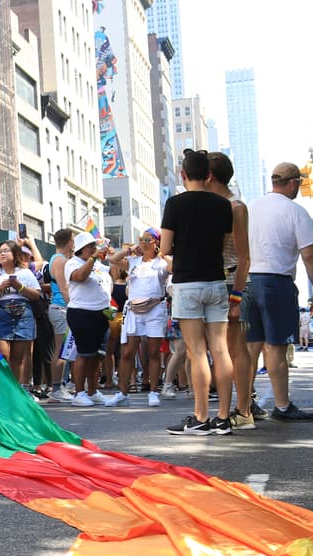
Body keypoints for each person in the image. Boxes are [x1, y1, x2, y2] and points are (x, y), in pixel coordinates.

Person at [158, 149, 234, 434]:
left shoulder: (175, 204)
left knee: (197, 351)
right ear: (209, 175)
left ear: (183, 174)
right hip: (216, 281)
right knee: (221, 349)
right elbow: (224, 243)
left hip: (188, 283)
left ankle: (201, 416)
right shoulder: (223, 205)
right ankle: (223, 417)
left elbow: (165, 247)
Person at [245, 162, 313, 422]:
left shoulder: (250, 208)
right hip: (276, 282)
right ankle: (282, 406)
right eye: (299, 183)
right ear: (292, 183)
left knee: (250, 347)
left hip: (247, 282)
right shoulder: (295, 211)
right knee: (276, 347)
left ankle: (245, 405)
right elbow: (310, 256)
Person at [207, 152, 258, 428]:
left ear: (210, 176)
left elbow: (244, 257)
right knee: (222, 348)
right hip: (213, 283)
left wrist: (237, 297)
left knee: (235, 347)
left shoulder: (235, 207)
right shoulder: (209, 205)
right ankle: (237, 408)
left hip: (232, 282)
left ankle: (244, 410)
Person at [109, 228, 170, 407]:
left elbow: (174, 267)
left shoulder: (161, 263)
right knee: (127, 352)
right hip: (134, 310)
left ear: (156, 242)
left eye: (148, 240)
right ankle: (123, 393)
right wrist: (129, 250)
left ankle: (153, 391)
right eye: (141, 239)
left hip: (155, 310)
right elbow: (113, 260)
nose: (143, 242)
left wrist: (162, 253)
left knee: (153, 352)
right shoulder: (133, 261)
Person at [65, 233, 126, 406]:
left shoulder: (98, 264)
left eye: (94, 246)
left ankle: (92, 391)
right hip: (82, 313)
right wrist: (93, 257)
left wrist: (112, 257)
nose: (94, 249)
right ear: (81, 249)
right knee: (84, 354)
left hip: (102, 313)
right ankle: (79, 393)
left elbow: (114, 274)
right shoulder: (73, 263)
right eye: (90, 246)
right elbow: (80, 277)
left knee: (97, 355)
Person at [0, 240, 42, 389]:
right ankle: (3, 389)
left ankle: (18, 390)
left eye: (6, 250)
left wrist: (19, 286)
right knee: (2, 355)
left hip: (22, 315)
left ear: (15, 254)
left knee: (19, 358)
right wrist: (1, 287)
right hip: (0, 314)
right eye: (0, 251)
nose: (2, 254)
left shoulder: (25, 272)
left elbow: (36, 294)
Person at [47, 229, 75, 402]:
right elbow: (64, 288)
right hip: (61, 308)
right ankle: (56, 388)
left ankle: (60, 386)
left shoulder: (59, 259)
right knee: (61, 349)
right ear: (69, 241)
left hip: (61, 308)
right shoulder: (59, 260)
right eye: (73, 240)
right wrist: (73, 307)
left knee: (65, 349)